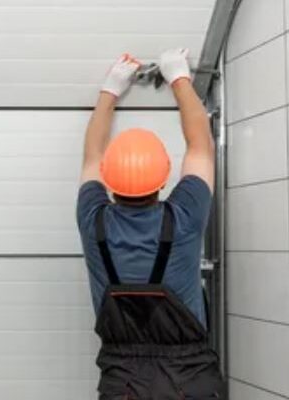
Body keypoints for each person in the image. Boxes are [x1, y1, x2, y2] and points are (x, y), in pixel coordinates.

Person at [76, 50, 225, 399]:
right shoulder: (184, 217)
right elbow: (200, 145)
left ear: (108, 181)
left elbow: (92, 155)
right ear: (162, 182)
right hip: (190, 379)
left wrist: (110, 89)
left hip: (122, 381)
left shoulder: (91, 219)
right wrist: (178, 77)